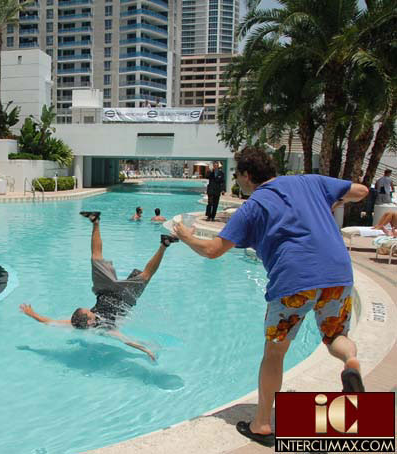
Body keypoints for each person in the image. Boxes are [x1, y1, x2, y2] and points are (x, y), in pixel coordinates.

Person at [172, 147, 369, 447]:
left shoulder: (253, 206)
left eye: (238, 174)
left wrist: (185, 236)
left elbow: (213, 250)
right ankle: (351, 364)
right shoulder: (309, 182)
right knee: (335, 337)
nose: (237, 180)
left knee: (275, 353)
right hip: (338, 274)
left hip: (293, 281)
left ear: (248, 175)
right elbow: (361, 190)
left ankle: (262, 423)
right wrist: (333, 199)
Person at [20, 211, 178, 362]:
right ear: (88, 322)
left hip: (105, 290)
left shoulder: (76, 322)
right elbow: (127, 341)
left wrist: (32, 314)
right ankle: (164, 244)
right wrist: (146, 350)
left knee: (96, 258)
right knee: (145, 276)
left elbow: (49, 321)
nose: (90, 310)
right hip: (124, 298)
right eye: (88, 312)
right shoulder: (105, 328)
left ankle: (95, 221)